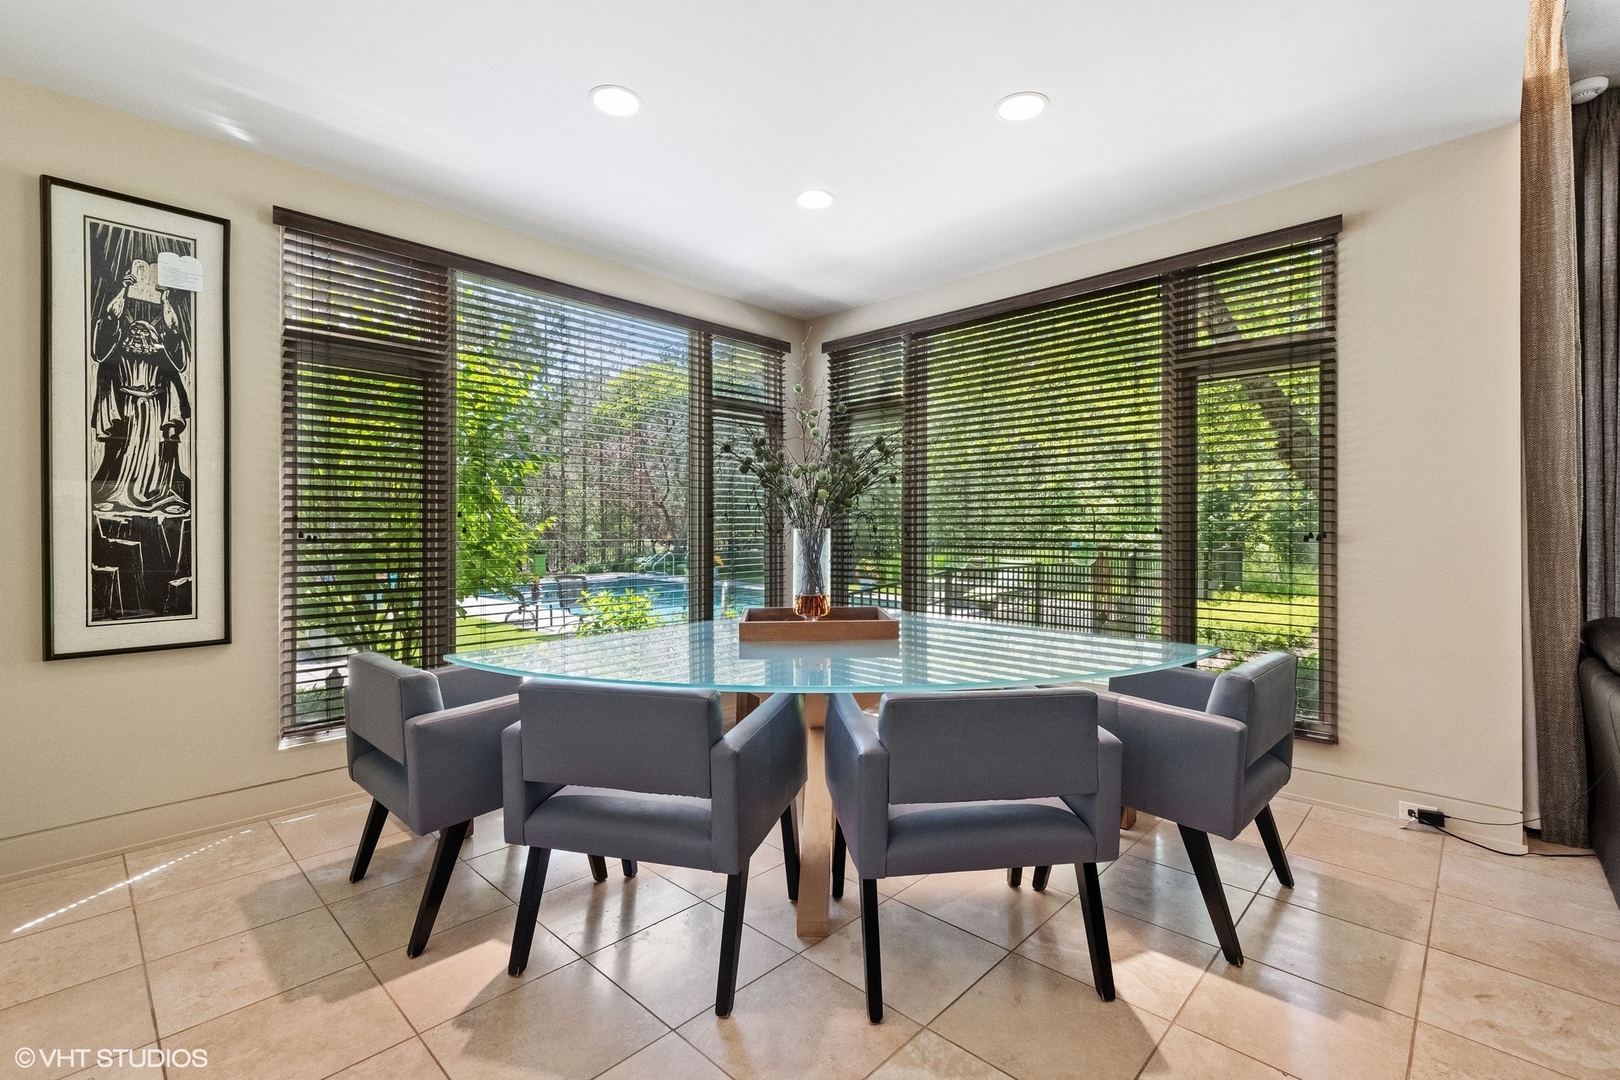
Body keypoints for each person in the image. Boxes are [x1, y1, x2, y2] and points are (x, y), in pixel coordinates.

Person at [89, 258, 191, 514]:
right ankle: (117, 494)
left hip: (156, 408)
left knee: (157, 454)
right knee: (125, 453)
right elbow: (111, 320)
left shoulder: (161, 355)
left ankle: (160, 494)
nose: (140, 333)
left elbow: (175, 333)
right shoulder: (118, 353)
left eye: (145, 331)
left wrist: (165, 300)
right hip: (128, 409)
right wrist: (124, 289)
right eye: (135, 330)